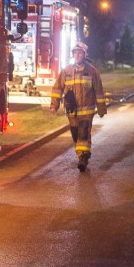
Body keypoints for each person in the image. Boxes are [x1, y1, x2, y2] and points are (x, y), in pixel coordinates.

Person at [49, 42, 107, 172]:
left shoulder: (92, 71)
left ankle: (83, 158)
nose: (77, 55)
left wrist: (101, 108)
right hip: (72, 112)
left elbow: (99, 91)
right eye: (75, 53)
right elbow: (57, 88)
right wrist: (54, 105)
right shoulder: (66, 71)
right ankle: (83, 154)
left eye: (80, 53)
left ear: (85, 55)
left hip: (87, 111)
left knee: (84, 133)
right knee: (76, 135)